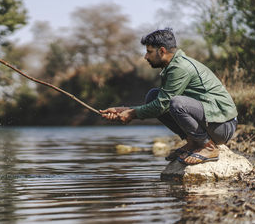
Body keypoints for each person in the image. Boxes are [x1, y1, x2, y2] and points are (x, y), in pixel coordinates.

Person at [100, 29, 238, 165]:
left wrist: (131, 113)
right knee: (153, 96)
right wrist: (123, 110)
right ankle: (192, 141)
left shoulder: (180, 67)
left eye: (149, 52)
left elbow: (162, 105)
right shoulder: (172, 66)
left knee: (177, 103)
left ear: (162, 51)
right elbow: (160, 102)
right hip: (214, 122)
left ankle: (208, 147)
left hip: (224, 126)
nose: (145, 57)